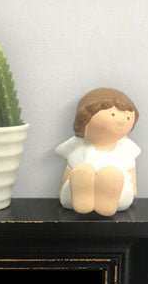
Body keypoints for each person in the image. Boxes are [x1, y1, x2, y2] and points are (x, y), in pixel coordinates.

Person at [55, 87, 141, 216]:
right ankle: (82, 193)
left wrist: (133, 189)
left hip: (119, 197)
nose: (122, 121)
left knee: (111, 174)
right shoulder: (80, 147)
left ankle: (108, 194)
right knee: (82, 171)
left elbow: (131, 171)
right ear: (85, 119)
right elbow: (69, 169)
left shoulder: (126, 148)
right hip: (72, 196)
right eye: (113, 114)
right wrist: (62, 188)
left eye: (128, 117)